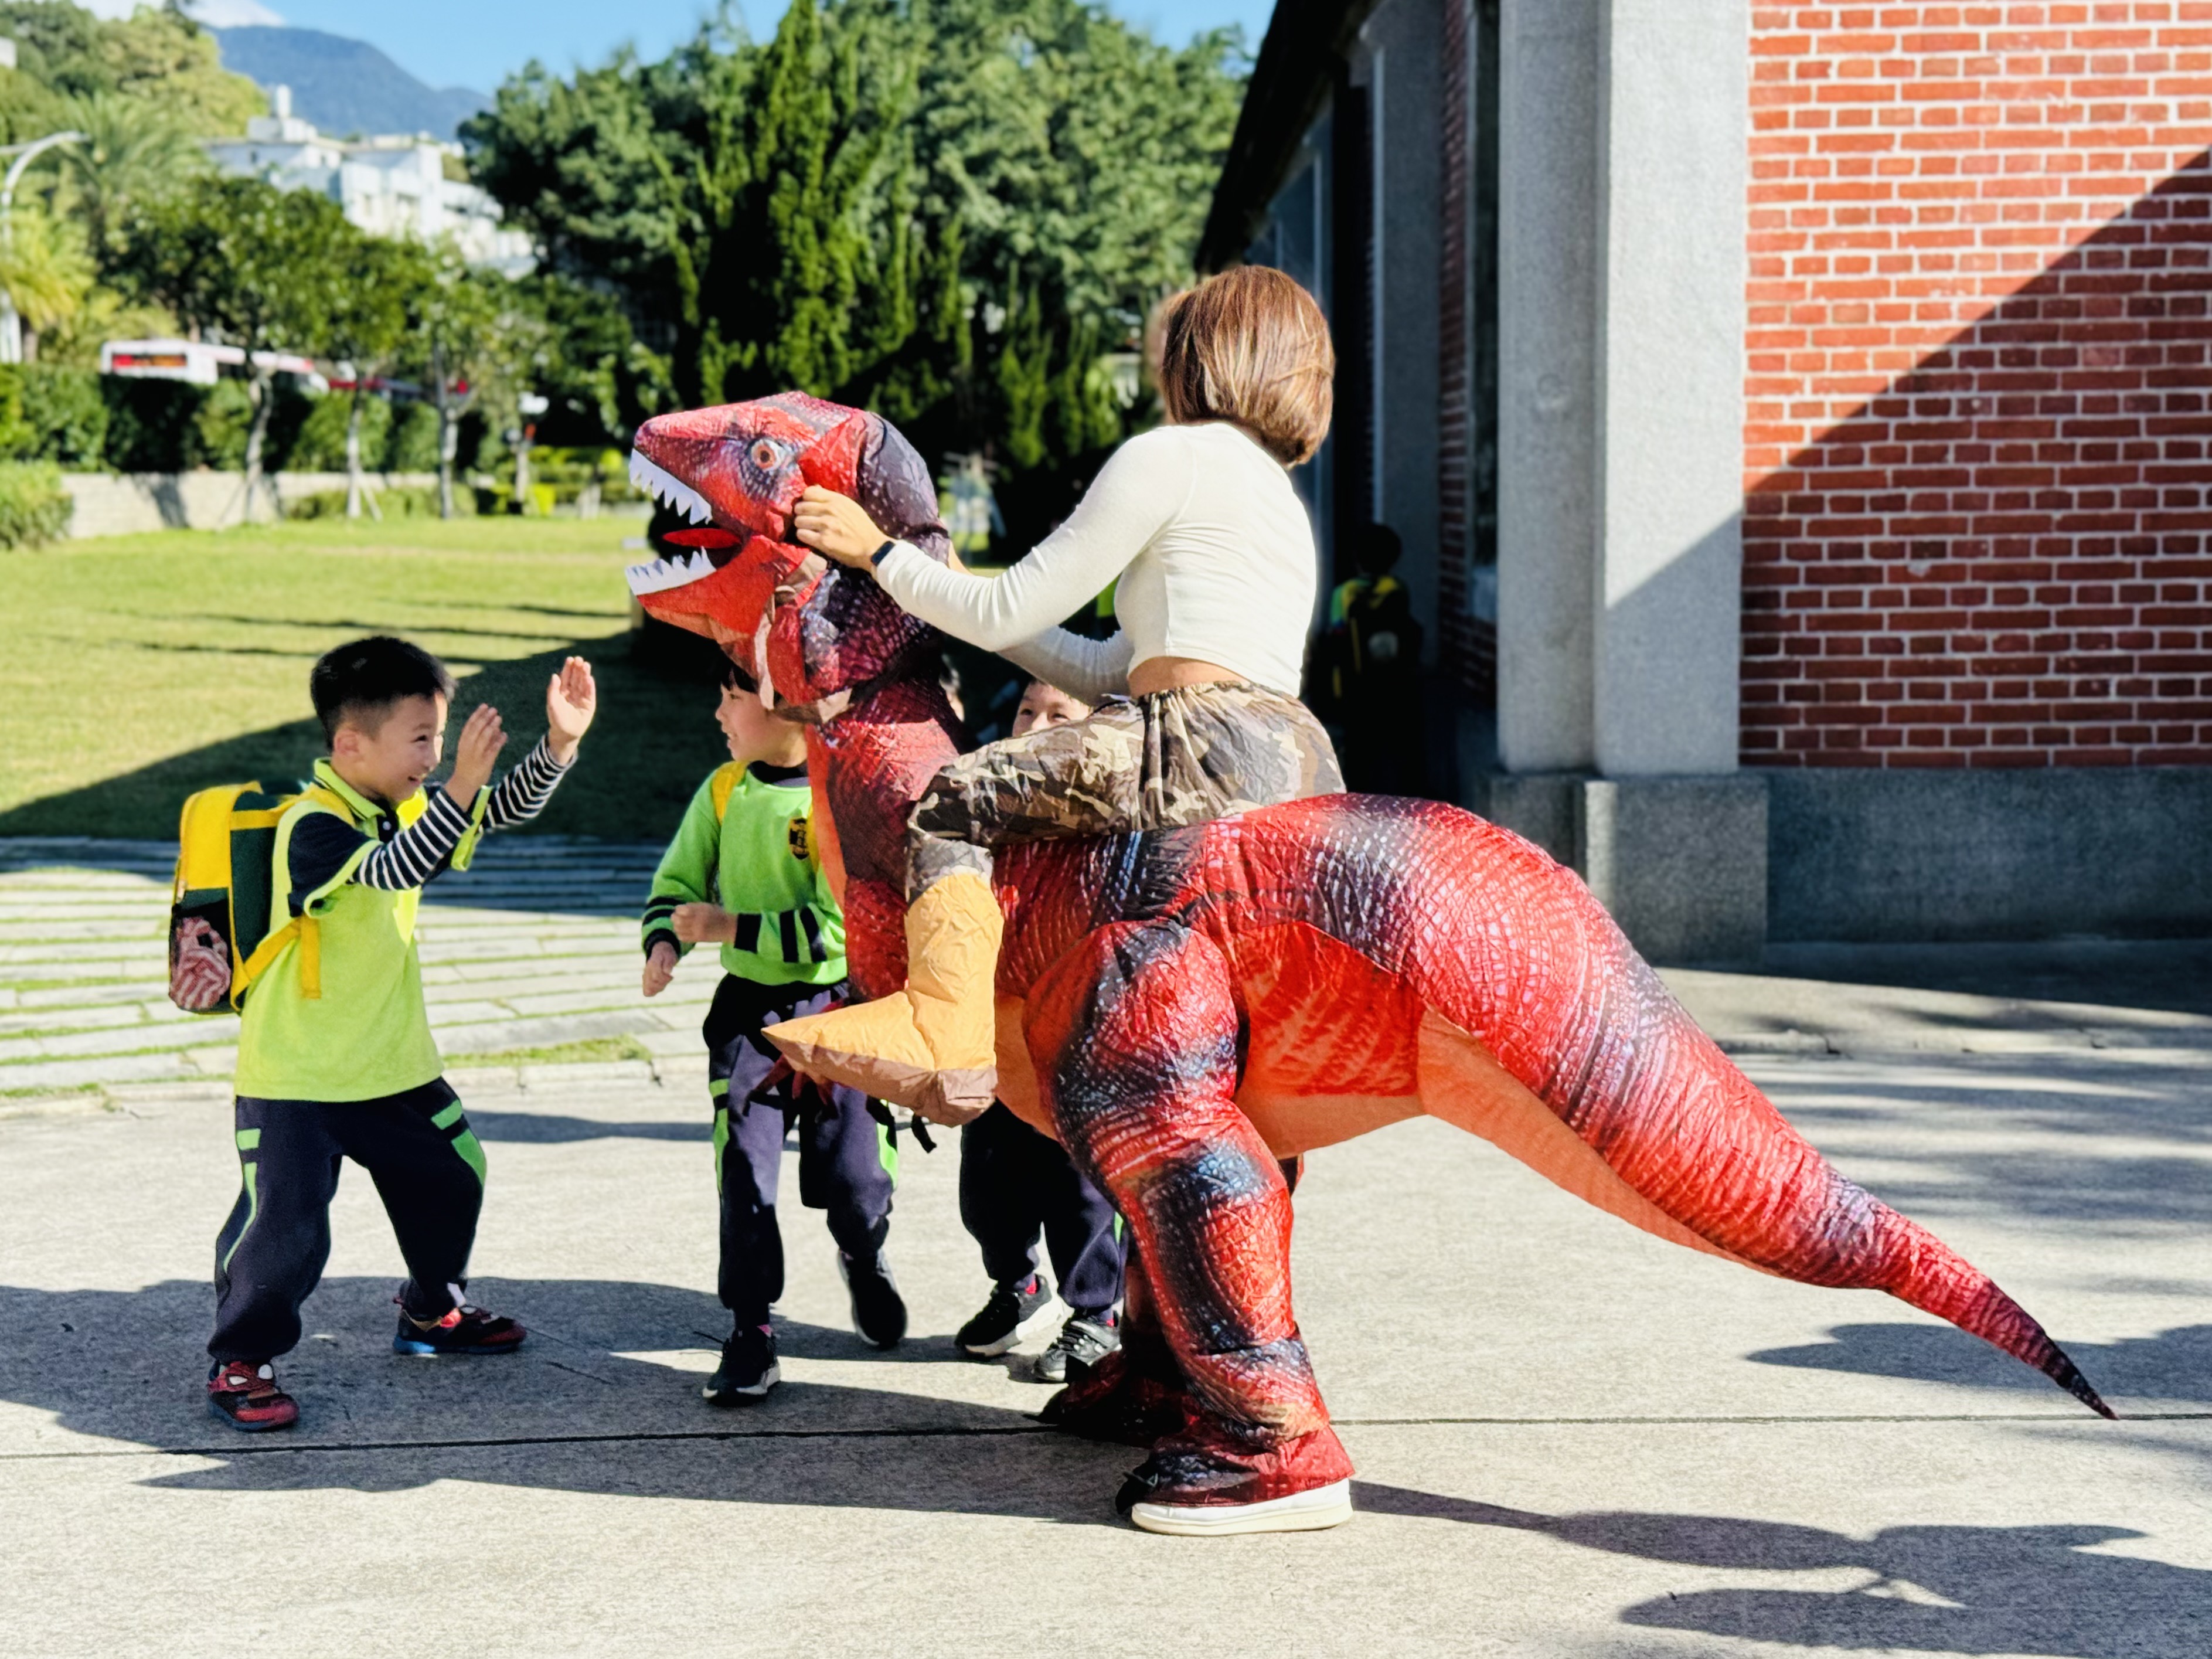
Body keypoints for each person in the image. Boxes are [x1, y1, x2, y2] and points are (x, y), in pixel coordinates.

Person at [774, 264, 1345, 1119]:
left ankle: (948, 1034)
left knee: (954, 798)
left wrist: (878, 554)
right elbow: (1102, 665)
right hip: (1298, 761)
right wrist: (944, 583)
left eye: (1168, 352)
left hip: (1193, 746)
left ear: (1201, 358)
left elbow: (1013, 605)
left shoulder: (1171, 457)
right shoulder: (1279, 500)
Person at [206, 637, 595, 1432]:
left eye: (439, 736)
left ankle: (429, 1310)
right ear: (351, 743)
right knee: (284, 1230)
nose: (435, 754)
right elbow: (394, 867)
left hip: (392, 1064)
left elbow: (495, 807)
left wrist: (559, 743)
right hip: (298, 1077)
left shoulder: (410, 802)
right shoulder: (313, 828)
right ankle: (241, 1356)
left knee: (454, 1179)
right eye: (420, 738)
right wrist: (455, 785)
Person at [642, 663, 906, 1405]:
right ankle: (751, 1331)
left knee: (855, 1181)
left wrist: (731, 925)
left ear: (791, 710)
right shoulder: (724, 790)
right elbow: (674, 884)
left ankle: (864, 1251)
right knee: (745, 1178)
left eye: (732, 698)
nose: (718, 714)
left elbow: (838, 926)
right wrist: (665, 940)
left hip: (837, 1014)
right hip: (749, 1020)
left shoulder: (836, 797)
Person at [952, 679, 1128, 1383]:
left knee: (1078, 1188)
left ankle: (1096, 1316)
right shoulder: (989, 810)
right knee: (987, 1185)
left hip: (1076, 1041)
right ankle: (1019, 1287)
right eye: (1027, 709)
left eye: (1060, 714)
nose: (1037, 723)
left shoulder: (1107, 825)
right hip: (998, 1036)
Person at [1318, 522, 1427, 795]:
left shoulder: (1344, 594)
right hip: (1394, 684)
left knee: (1360, 754)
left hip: (1355, 688)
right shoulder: (1396, 589)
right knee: (1395, 750)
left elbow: (1335, 638)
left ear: (1357, 558)